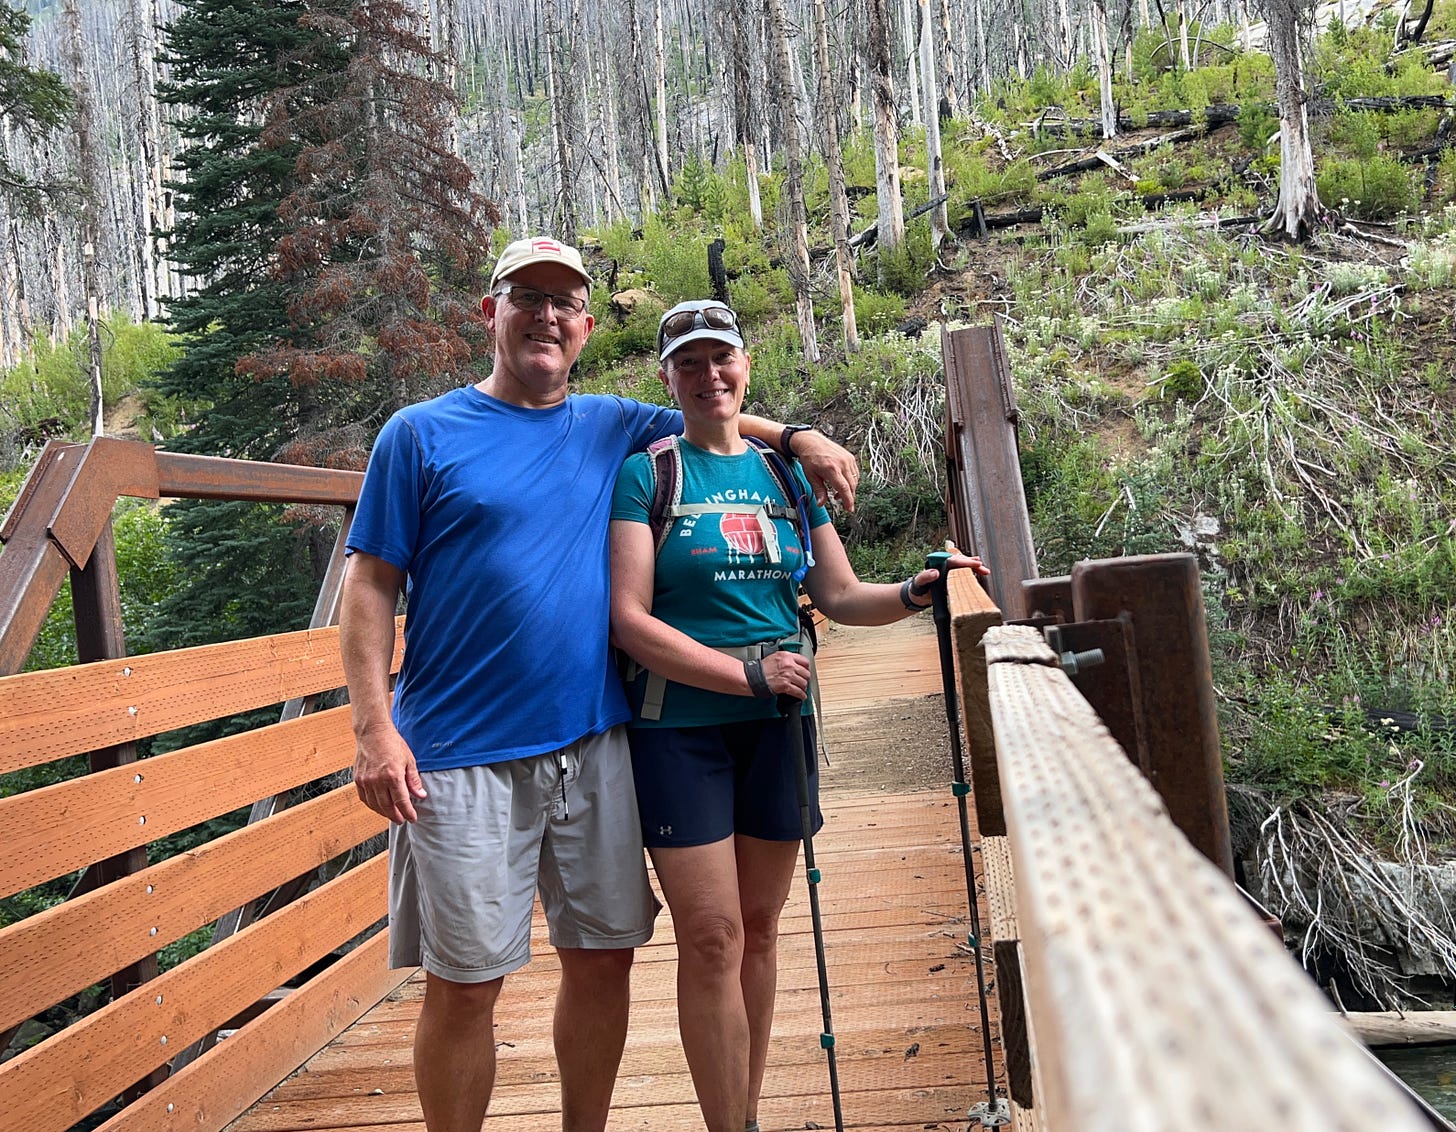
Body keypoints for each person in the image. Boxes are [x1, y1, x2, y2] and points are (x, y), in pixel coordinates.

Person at [339, 237, 859, 1132]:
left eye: (564, 303)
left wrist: (800, 434)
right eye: (525, 297)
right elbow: (369, 586)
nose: (545, 315)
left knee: (603, 960)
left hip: (595, 741)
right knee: (466, 984)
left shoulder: (615, 427)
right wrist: (372, 731)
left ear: (584, 326)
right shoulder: (419, 434)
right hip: (458, 755)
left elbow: (715, 411)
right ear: (489, 313)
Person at [608, 300, 989, 1132]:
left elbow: (841, 595)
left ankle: (745, 1113)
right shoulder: (650, 473)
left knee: (758, 927)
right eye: (690, 362)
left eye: (723, 359)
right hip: (681, 731)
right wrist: (745, 675)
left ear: (746, 367)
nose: (710, 376)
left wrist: (916, 591)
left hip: (778, 725)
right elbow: (629, 620)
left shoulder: (783, 475)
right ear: (665, 377)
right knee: (710, 936)